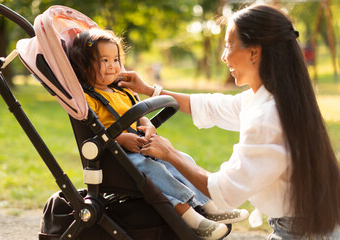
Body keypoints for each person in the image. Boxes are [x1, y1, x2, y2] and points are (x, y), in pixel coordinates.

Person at [118, 4, 340, 239]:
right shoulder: (275, 97)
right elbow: (211, 106)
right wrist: (149, 90)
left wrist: (171, 154)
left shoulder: (267, 117)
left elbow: (223, 190)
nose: (224, 57)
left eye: (228, 46)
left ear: (254, 52)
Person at [68, 29, 250, 240]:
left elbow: (139, 115)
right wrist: (121, 139)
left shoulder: (122, 90)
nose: (112, 65)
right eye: (104, 60)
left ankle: (209, 206)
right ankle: (191, 218)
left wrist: (148, 126)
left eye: (116, 59)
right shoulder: (89, 100)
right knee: (155, 172)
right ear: (84, 64)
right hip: (118, 159)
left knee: (182, 160)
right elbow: (93, 133)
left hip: (142, 147)